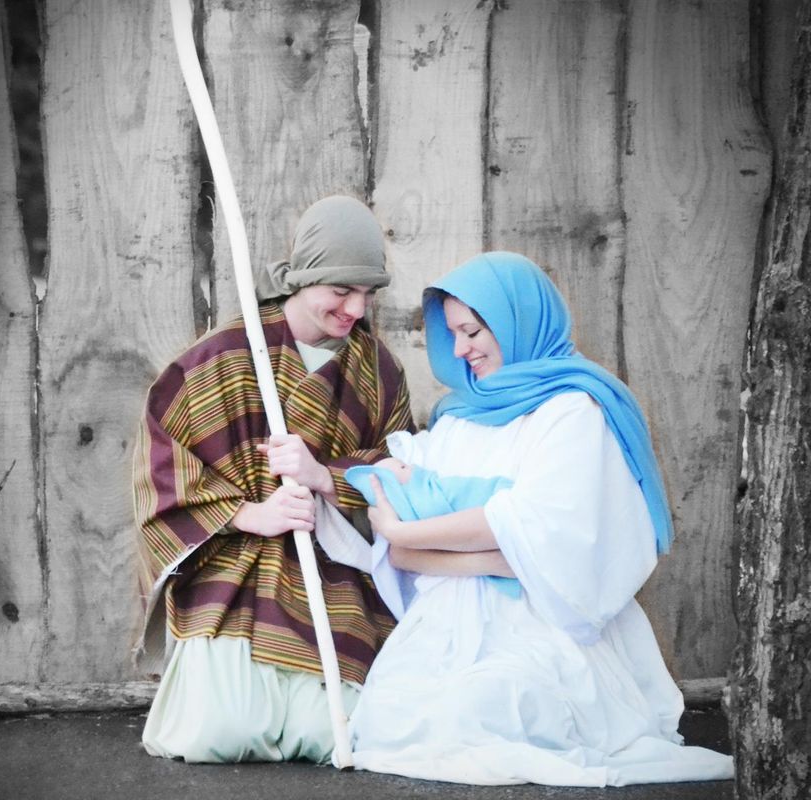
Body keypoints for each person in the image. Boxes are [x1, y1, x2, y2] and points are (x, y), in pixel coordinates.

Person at [335, 251, 734, 785]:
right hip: (449, 629)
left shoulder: (574, 413)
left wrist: (412, 534)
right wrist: (478, 549)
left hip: (544, 628)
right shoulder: (458, 420)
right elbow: (421, 553)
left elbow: (542, 549)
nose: (460, 350)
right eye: (451, 333)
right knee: (395, 720)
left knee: (498, 707)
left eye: (472, 330)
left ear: (515, 319)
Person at [132, 195, 413, 764]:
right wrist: (249, 514)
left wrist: (326, 478)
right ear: (304, 278)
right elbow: (162, 462)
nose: (355, 310)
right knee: (221, 733)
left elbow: (404, 473)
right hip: (234, 562)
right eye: (341, 291)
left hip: (331, 564)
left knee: (333, 733)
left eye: (368, 294)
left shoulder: (380, 373)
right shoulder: (222, 358)